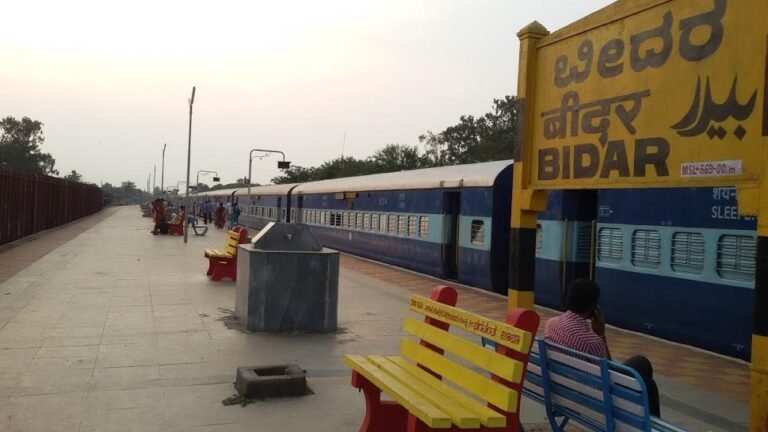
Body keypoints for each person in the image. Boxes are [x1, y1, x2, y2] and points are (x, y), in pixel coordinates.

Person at [544, 279, 661, 417]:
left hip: (558, 391)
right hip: (586, 399)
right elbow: (609, 375)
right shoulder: (592, 341)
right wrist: (601, 334)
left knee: (645, 374)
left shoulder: (550, 324)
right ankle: (650, 422)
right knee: (643, 369)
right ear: (593, 308)